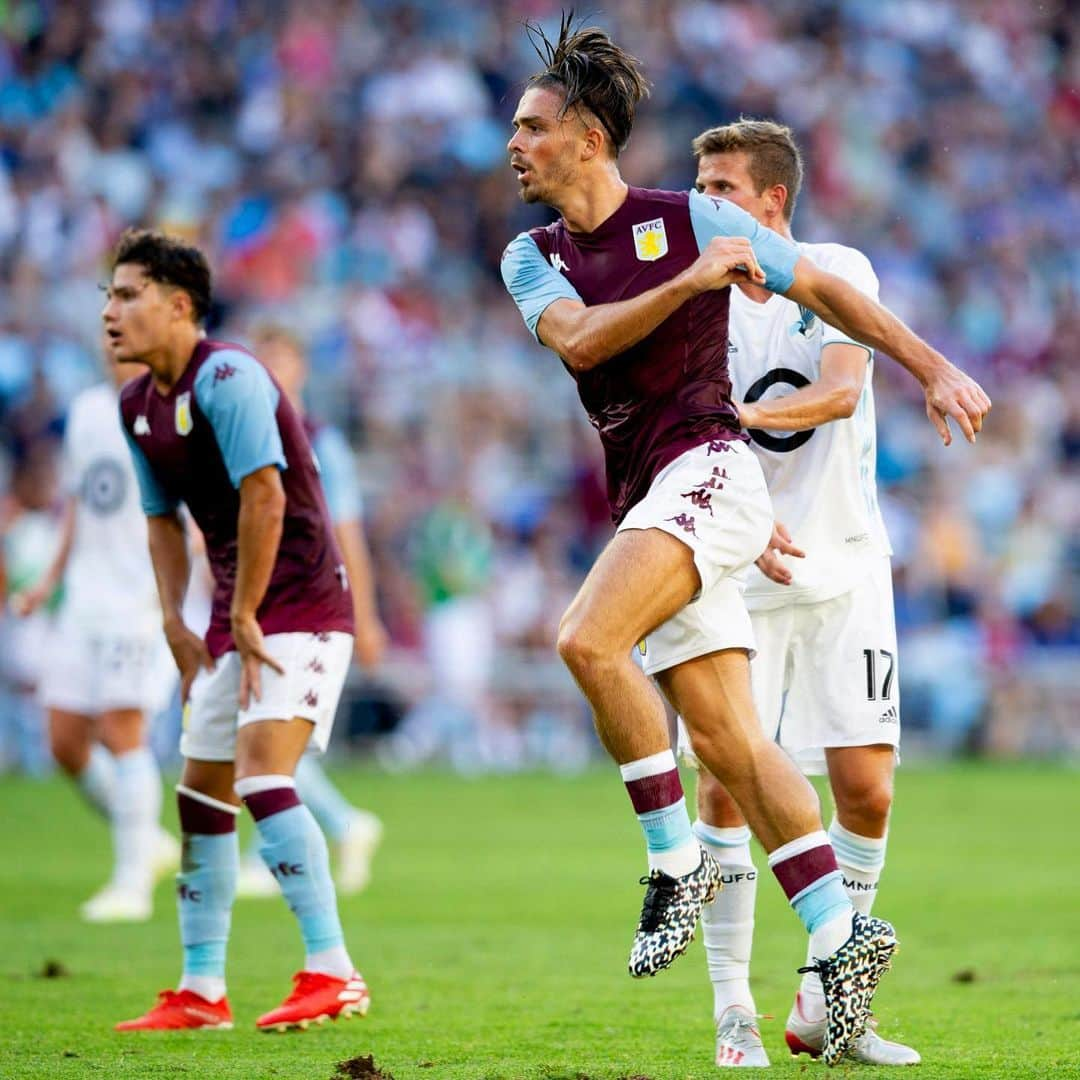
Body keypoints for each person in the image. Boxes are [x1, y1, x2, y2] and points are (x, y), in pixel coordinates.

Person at [500, 18, 989, 1066]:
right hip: (654, 488)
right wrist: (692, 282)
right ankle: (841, 934)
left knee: (587, 642)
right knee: (732, 745)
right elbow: (581, 339)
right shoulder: (531, 255)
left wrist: (933, 366)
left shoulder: (690, 216)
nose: (514, 143)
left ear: (588, 136)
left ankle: (672, 862)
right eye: (515, 126)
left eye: (534, 126)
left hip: (712, 474)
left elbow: (822, 289)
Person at [687, 119, 919, 1068]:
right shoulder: (690, 297)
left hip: (845, 563)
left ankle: (831, 1004)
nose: (702, 201)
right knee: (728, 783)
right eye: (699, 184)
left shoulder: (833, 268)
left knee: (865, 789)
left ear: (771, 201)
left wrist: (734, 419)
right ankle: (732, 1010)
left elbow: (835, 391)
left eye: (720, 186)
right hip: (738, 569)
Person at [105, 228, 369, 1033]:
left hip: (303, 607)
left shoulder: (229, 376)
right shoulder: (137, 405)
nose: (111, 313)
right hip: (235, 616)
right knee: (200, 795)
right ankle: (201, 988)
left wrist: (243, 612)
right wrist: (174, 622)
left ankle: (334, 969)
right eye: (108, 298)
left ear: (179, 304)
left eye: (128, 295)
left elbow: (266, 497)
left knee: (261, 777)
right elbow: (160, 523)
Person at [12, 348, 180, 922]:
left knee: (122, 728)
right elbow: (78, 508)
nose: (115, 337)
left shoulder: (173, 408)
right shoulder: (86, 411)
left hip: (137, 603)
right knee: (64, 740)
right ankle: (146, 840)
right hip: (82, 600)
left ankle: (131, 882)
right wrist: (47, 584)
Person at [234, 324, 385, 898]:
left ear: (300, 368)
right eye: (261, 360)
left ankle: (292, 848)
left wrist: (366, 616)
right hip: (259, 603)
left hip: (310, 606)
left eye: (281, 358)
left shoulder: (322, 443)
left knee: (269, 733)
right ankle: (338, 828)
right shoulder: (242, 436)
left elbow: (348, 532)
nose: (271, 371)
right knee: (260, 731)